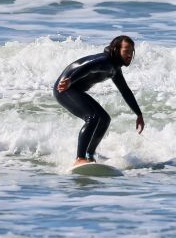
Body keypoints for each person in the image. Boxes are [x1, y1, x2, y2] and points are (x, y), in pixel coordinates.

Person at [54, 35, 145, 166]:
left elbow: (125, 91)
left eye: (132, 51)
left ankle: (89, 155)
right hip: (64, 89)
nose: (130, 55)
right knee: (92, 117)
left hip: (75, 90)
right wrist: (70, 80)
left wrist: (139, 114)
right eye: (126, 51)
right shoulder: (105, 61)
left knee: (104, 119)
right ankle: (79, 158)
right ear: (116, 49)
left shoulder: (114, 69)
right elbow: (87, 68)